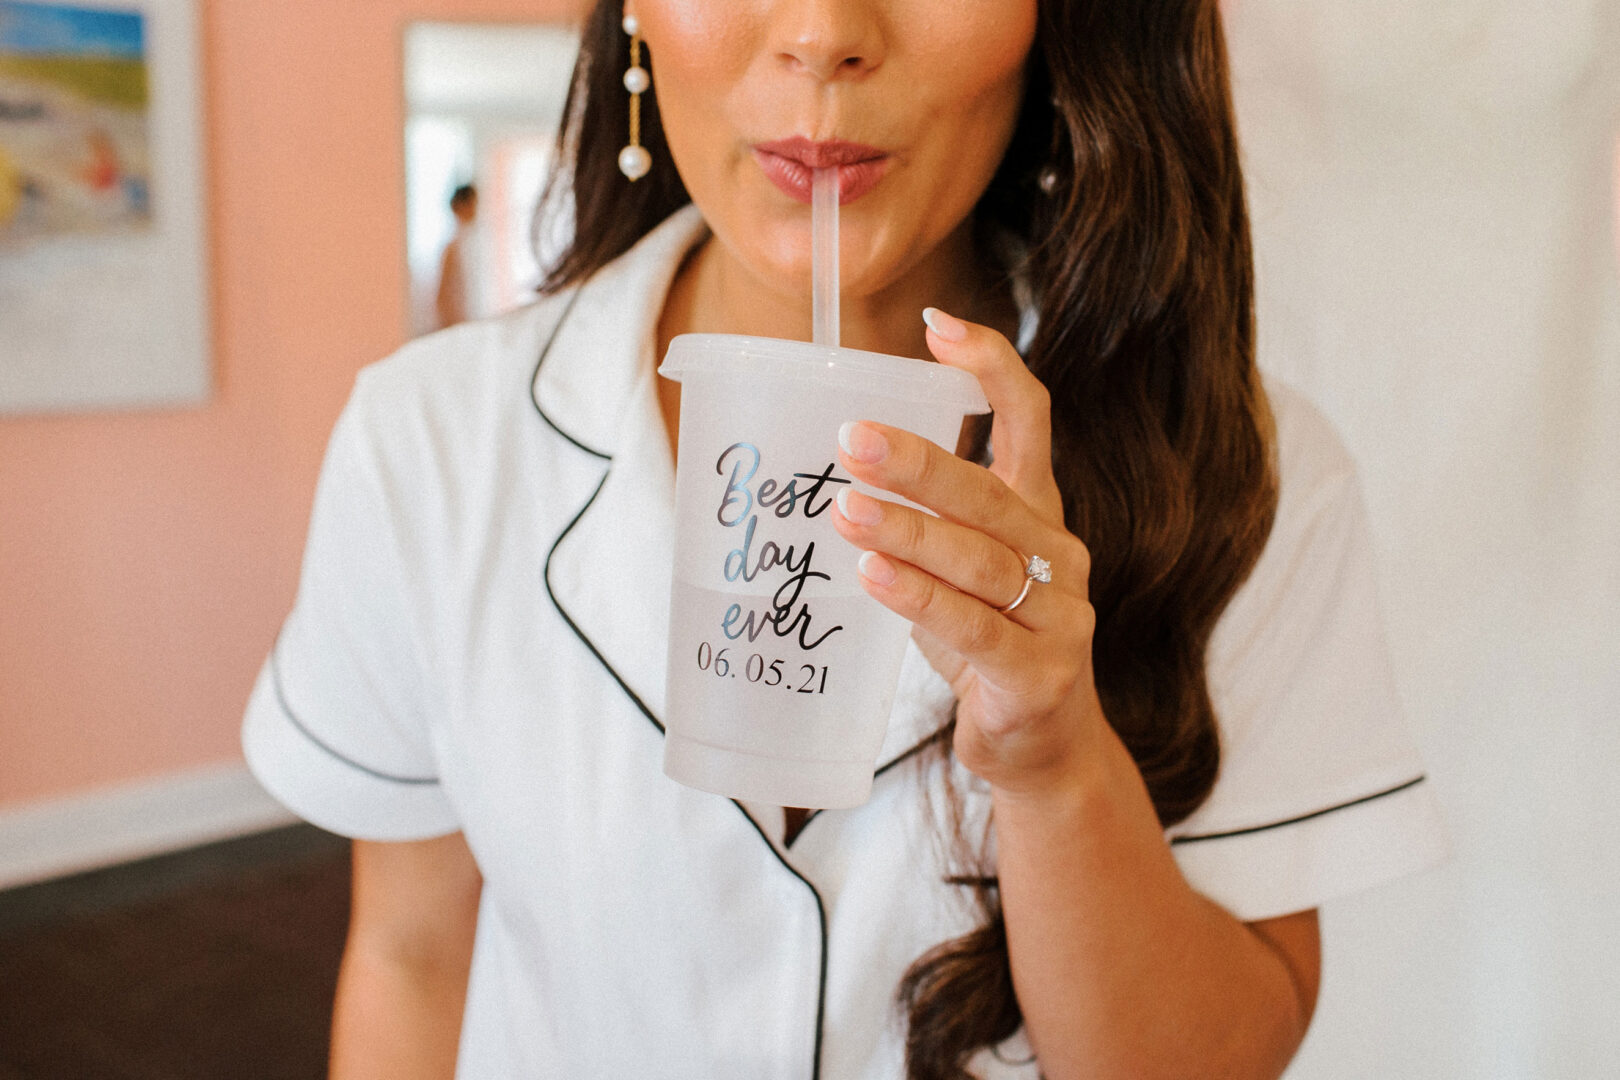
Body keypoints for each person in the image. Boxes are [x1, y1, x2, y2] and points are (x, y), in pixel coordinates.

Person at [242, 2, 1447, 1077]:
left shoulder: (1235, 472)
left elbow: (1223, 1057)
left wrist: (1056, 765)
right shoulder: (430, 443)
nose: (823, 31)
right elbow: (411, 958)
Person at [433, 184, 484, 328]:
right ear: (459, 206)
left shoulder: (477, 241)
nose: (475, 209)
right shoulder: (452, 247)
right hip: (460, 324)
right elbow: (442, 295)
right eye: (471, 204)